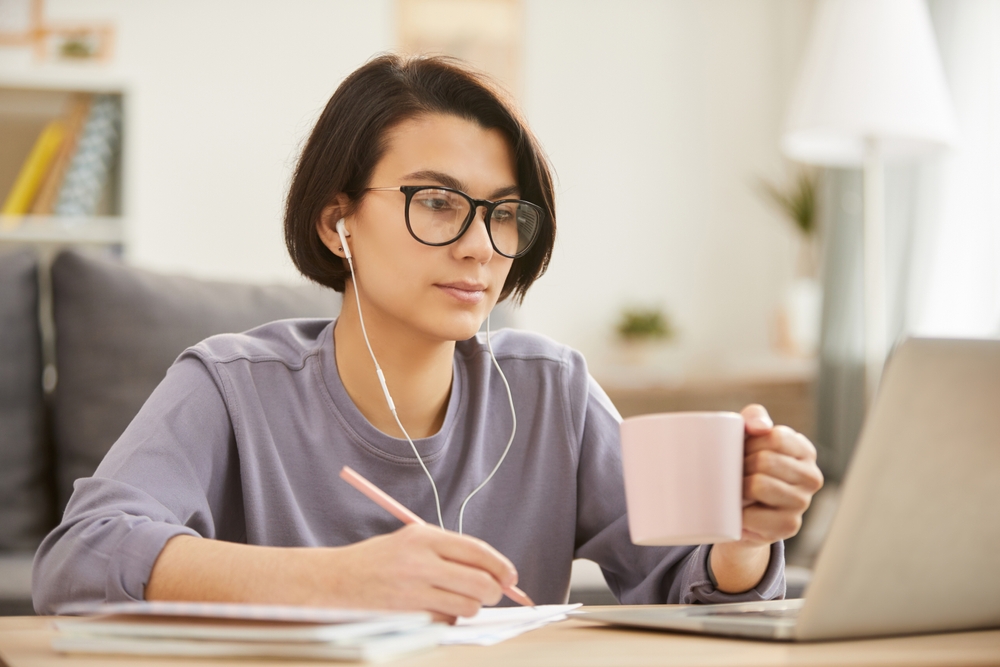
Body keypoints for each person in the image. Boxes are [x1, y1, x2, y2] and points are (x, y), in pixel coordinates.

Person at [33, 54, 824, 622]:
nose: (481, 245)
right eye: (439, 203)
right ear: (337, 221)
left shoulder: (552, 389)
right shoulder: (230, 384)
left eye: (505, 213)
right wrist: (333, 582)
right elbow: (82, 555)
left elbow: (691, 586)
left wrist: (743, 535)